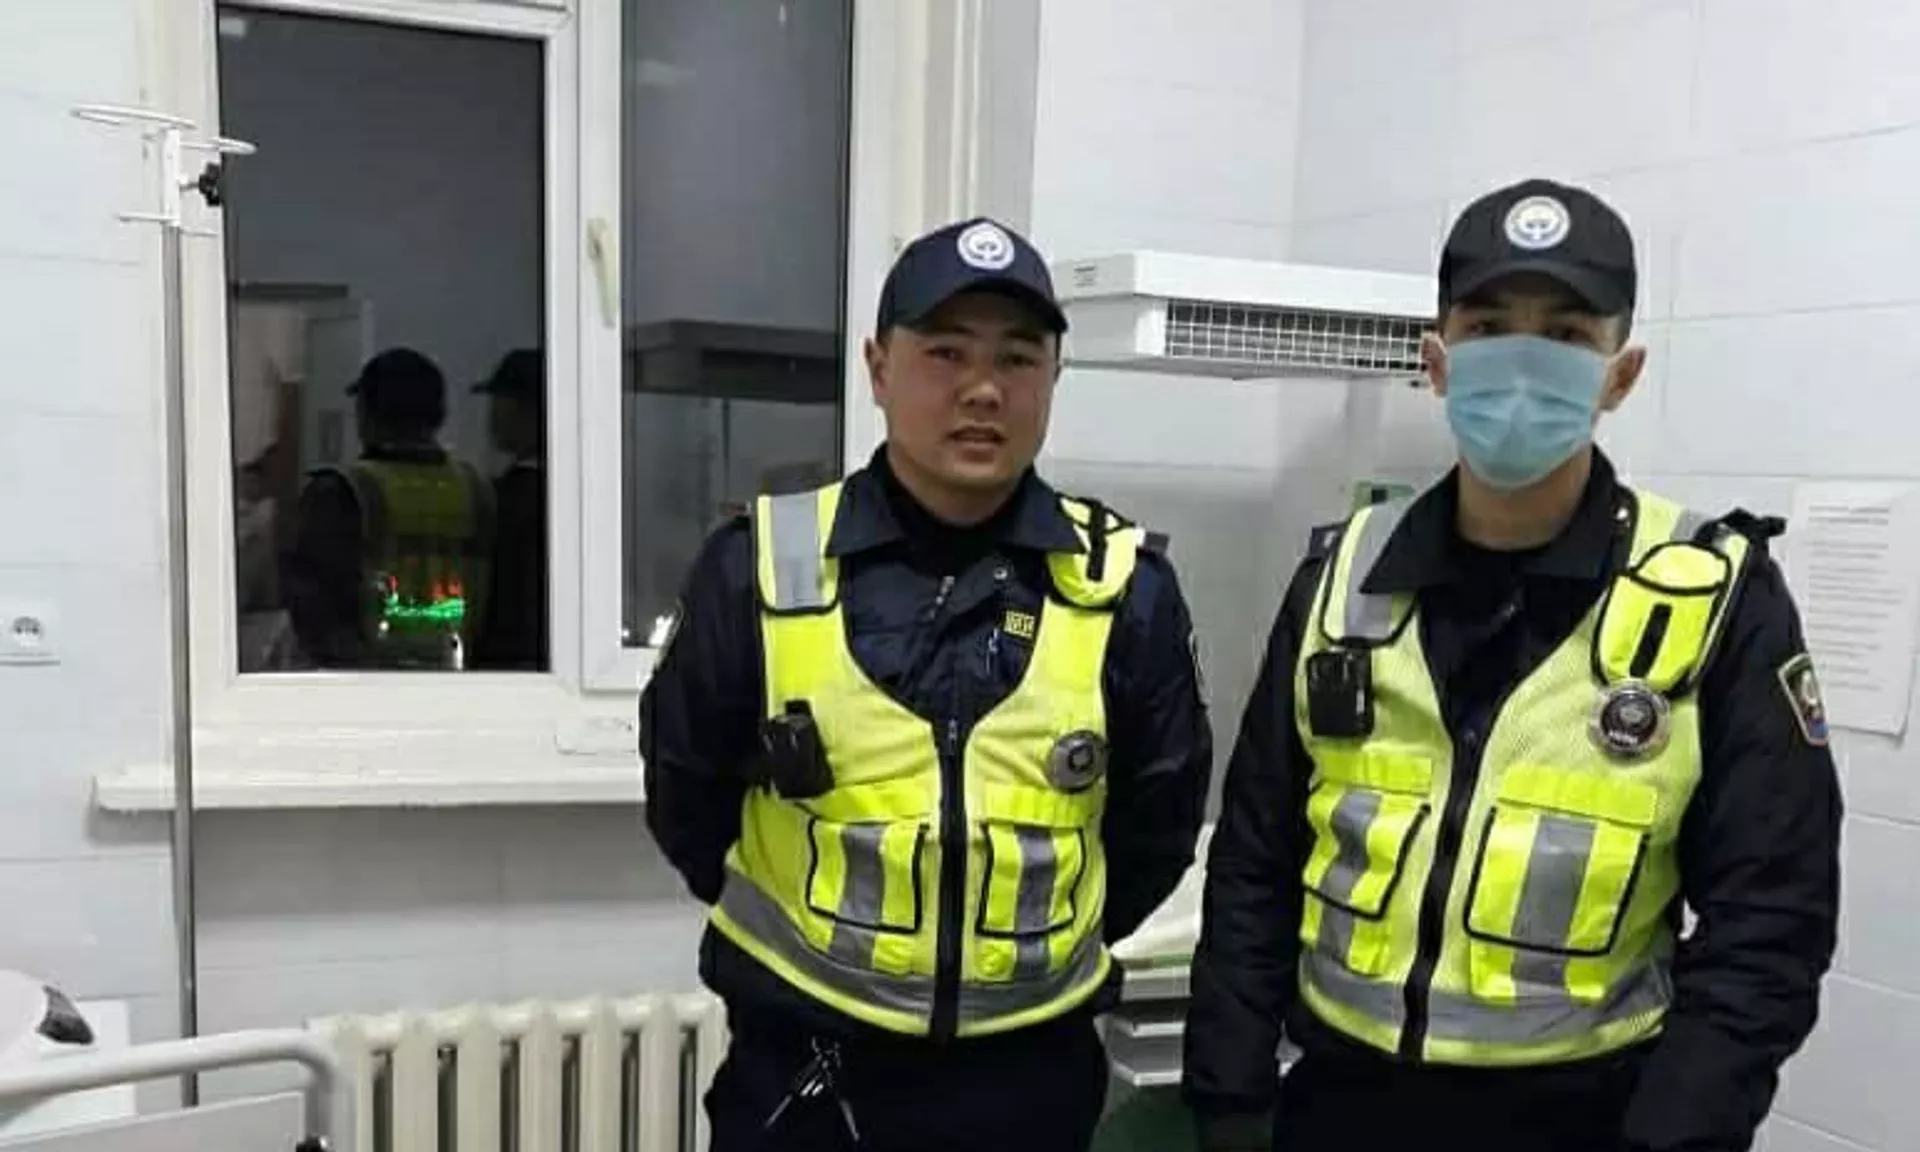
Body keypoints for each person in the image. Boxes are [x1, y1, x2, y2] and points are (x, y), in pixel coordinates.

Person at [1182, 179, 1842, 1152]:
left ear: (1620, 375)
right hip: (1340, 1106)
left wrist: (1674, 1136)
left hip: (1584, 1119)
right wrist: (1230, 1098)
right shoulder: (1342, 575)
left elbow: (1770, 922)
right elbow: (1255, 858)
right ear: (1437, 362)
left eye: (1566, 334)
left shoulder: (1716, 595)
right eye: (1489, 327)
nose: (1524, 362)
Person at [641, 216, 1213, 1152]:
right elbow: (686, 802)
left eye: (1017, 358)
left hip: (1027, 1085)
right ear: (879, 368)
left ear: (1054, 378)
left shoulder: (1123, 588)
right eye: (946, 352)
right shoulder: (761, 569)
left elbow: (1157, 827)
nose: (983, 389)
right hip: (810, 1080)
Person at [283, 346, 494, 669]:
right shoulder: (478, 490)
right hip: (462, 678)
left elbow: (312, 608)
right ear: (439, 414)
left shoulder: (344, 492)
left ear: (367, 413)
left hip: (367, 681)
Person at [470, 348, 548, 671]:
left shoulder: (508, 499)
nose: (491, 415)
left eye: (498, 402)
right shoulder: (574, 496)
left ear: (524, 408)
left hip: (507, 663)